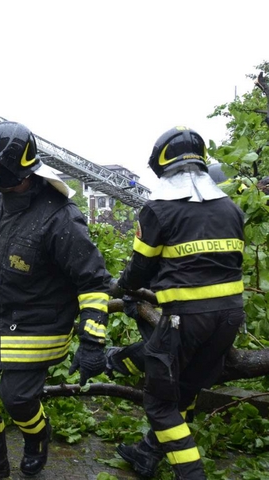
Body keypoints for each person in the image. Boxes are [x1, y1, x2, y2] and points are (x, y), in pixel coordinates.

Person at [0, 121, 113, 479]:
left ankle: (38, 435)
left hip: (35, 328)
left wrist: (92, 341)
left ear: (10, 167)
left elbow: (94, 281)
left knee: (17, 398)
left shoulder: (61, 219)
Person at [113, 126, 245, 480]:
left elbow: (139, 271)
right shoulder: (231, 209)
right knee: (185, 391)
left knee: (158, 404)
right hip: (230, 316)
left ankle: (191, 474)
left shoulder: (158, 211)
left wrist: (122, 288)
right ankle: (146, 454)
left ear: (162, 167)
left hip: (185, 319)